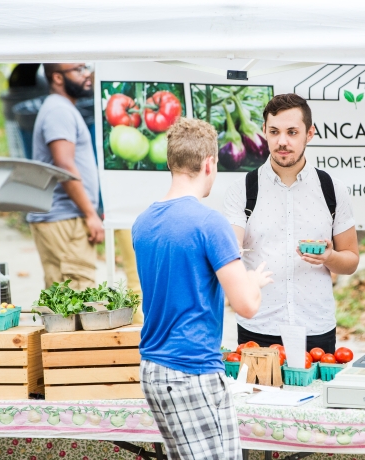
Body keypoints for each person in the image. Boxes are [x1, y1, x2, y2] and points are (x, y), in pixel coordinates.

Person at [133, 118, 272, 459]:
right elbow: (247, 306)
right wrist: (252, 282)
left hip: (153, 368)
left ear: (171, 162)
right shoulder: (210, 223)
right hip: (191, 368)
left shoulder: (143, 222)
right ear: (210, 164)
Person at [224, 93, 359, 353]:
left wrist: (329, 257)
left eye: (292, 132)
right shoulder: (241, 189)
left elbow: (351, 260)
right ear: (263, 131)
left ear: (309, 134)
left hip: (316, 328)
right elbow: (231, 250)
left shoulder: (332, 189)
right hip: (258, 326)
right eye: (274, 131)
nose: (282, 141)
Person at [26, 63, 103, 290]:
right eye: (78, 69)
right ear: (58, 78)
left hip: (63, 217)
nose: (86, 73)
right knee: (77, 295)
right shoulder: (59, 110)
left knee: (62, 298)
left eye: (86, 67)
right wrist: (90, 214)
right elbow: (64, 164)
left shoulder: (61, 108)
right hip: (65, 219)